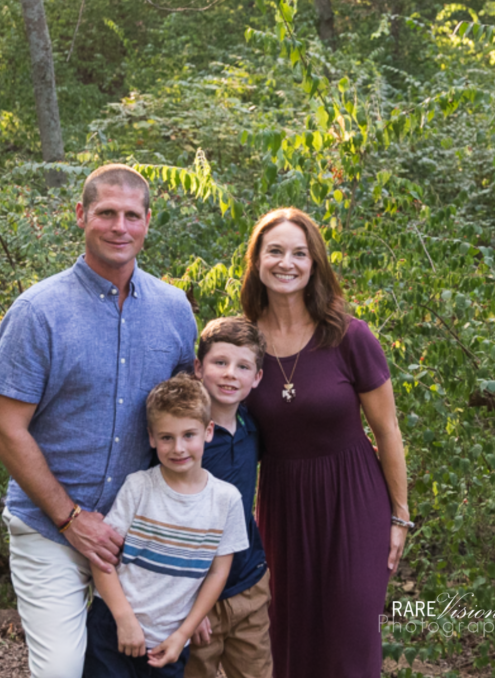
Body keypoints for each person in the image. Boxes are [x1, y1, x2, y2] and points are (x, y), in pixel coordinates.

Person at [0, 164, 198, 678]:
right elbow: (3, 428)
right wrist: (70, 517)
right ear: (81, 215)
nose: (118, 226)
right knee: (60, 669)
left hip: (137, 529)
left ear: (148, 222)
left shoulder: (174, 311)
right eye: (106, 213)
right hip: (49, 525)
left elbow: (184, 427)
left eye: (131, 215)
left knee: (138, 664)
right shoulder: (38, 311)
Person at [241, 207, 411, 678]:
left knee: (349, 643)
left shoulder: (349, 336)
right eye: (274, 251)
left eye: (299, 253)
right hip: (281, 507)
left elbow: (388, 430)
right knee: (288, 643)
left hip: (354, 502)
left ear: (315, 263)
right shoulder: (243, 346)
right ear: (257, 261)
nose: (286, 263)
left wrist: (400, 516)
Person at [83, 374, 248, 678]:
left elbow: (218, 572)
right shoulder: (139, 487)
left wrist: (183, 634)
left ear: (208, 431)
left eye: (189, 435)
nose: (178, 448)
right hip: (113, 627)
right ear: (151, 438)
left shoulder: (226, 500)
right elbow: (102, 557)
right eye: (166, 437)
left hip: (169, 639)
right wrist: (124, 619)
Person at [186, 316, 273, 678]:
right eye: (219, 363)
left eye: (242, 367)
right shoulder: (185, 440)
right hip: (196, 594)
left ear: (257, 378)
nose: (229, 374)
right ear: (198, 368)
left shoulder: (254, 427)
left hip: (249, 585)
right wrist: (189, 604)